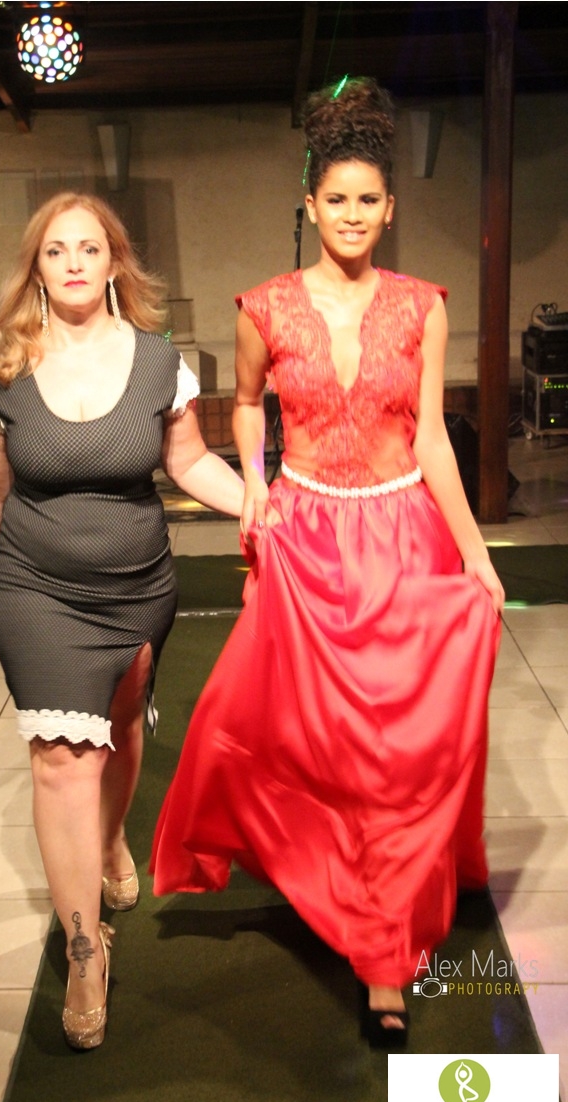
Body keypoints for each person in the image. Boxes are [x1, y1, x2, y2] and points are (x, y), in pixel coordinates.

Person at [151, 78, 503, 1046]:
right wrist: (255, 486)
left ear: (389, 210)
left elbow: (431, 436)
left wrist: (476, 554)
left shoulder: (423, 306)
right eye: (335, 198)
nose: (351, 214)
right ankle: (337, 882)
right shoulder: (263, 306)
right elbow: (244, 405)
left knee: (399, 749)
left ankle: (384, 953)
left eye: (368, 200)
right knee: (310, 741)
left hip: (405, 540)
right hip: (305, 542)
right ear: (310, 205)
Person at [0, 192, 244, 1050]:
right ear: (36, 269)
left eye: (88, 248)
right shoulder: (5, 367)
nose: (73, 262)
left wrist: (262, 504)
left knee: (118, 729)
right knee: (61, 763)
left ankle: (110, 842)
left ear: (115, 262)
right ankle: (84, 951)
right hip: (36, 588)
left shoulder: (159, 362)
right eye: (56, 251)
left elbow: (189, 460)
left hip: (138, 587)